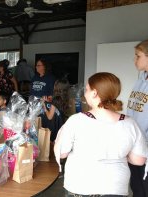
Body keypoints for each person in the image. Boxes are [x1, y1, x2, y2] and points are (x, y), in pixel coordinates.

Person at [54, 72, 147, 196]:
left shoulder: (77, 121)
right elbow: (139, 160)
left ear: (94, 93)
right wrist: (122, 154)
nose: (85, 93)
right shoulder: (130, 123)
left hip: (80, 187)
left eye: (87, 89)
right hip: (115, 189)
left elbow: (62, 153)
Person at [127, 39, 148, 197]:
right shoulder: (141, 78)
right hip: (134, 144)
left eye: (138, 56)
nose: (134, 60)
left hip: (145, 149)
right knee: (136, 187)